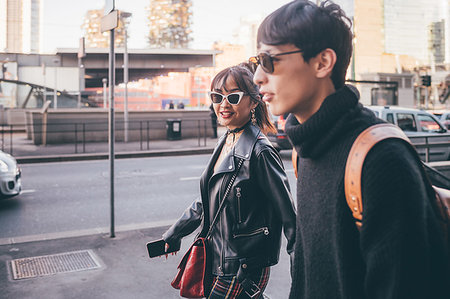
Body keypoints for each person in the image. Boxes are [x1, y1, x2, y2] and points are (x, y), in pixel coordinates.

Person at [251, 1, 449, 299]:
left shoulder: (380, 158)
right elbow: (307, 274)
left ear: (322, 62)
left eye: (269, 61)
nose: (257, 77)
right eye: (256, 61)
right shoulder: (305, 148)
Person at [163, 65, 296, 298]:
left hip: (244, 264)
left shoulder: (260, 151)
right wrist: (174, 233)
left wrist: (302, 277)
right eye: (216, 96)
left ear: (254, 102)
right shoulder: (226, 140)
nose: (223, 105)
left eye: (233, 97)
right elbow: (208, 199)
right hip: (219, 258)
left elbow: (289, 217)